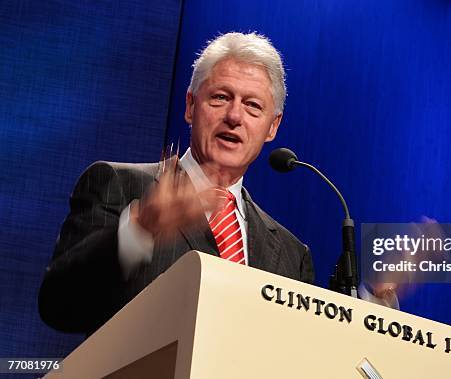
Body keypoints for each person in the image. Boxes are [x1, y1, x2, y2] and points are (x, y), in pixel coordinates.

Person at [39, 32, 396, 336]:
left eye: (253, 106)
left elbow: (305, 351)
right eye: (221, 97)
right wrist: (140, 229)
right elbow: (58, 305)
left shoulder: (291, 253)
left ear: (272, 127)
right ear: (191, 106)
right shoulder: (120, 184)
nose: (235, 116)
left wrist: (374, 302)